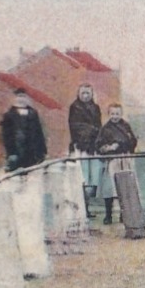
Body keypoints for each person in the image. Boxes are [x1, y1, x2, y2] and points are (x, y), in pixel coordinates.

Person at [94, 103, 138, 225]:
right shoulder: (105, 129)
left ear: (121, 114)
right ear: (109, 114)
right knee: (110, 188)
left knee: (126, 187)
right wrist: (108, 148)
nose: (115, 116)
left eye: (117, 113)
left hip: (125, 159)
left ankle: (123, 214)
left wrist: (122, 144)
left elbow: (133, 141)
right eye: (112, 114)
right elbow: (98, 145)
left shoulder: (126, 126)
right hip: (112, 161)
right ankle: (108, 215)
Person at [67, 83, 102, 215]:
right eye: (83, 93)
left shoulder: (96, 108)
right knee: (83, 177)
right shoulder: (75, 107)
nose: (86, 96)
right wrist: (91, 130)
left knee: (94, 179)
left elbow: (99, 126)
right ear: (79, 94)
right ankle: (83, 208)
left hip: (93, 147)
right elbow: (75, 126)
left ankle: (87, 205)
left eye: (88, 93)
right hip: (81, 146)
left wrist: (98, 137)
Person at [1, 89, 48, 171]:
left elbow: (39, 133)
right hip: (17, 151)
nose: (21, 99)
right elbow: (6, 136)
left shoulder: (33, 114)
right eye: (19, 96)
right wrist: (11, 152)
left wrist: (42, 151)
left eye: (23, 96)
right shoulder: (9, 115)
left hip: (32, 152)